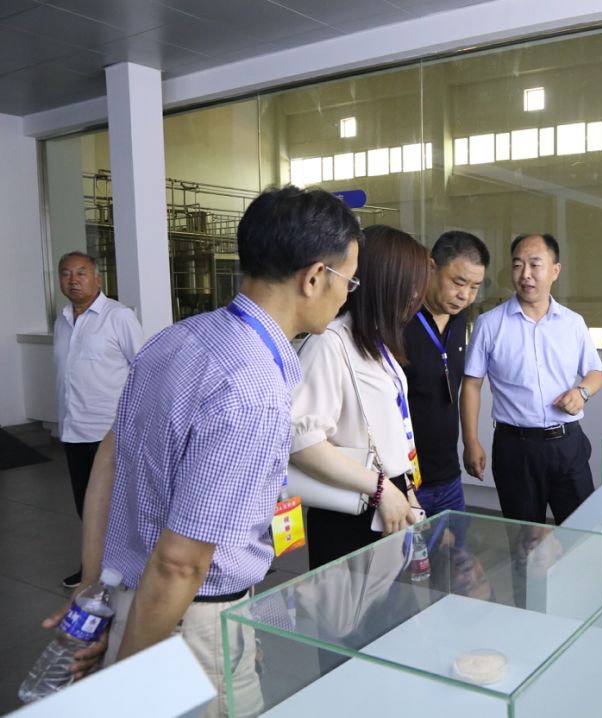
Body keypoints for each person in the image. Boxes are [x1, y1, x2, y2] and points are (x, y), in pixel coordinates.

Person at [42, 185, 362, 717]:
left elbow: (110, 459)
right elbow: (178, 563)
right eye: (347, 280)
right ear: (313, 278)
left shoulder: (175, 339)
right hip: (186, 624)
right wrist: (124, 681)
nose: (347, 294)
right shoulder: (254, 387)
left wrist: (93, 590)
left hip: (132, 599)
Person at [290, 225, 427, 569]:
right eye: (409, 285)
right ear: (383, 282)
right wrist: (381, 488)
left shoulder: (376, 343)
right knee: (348, 602)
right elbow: (301, 441)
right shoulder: (329, 343)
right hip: (352, 506)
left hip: (388, 497)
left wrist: (405, 488)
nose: (416, 296)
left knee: (387, 599)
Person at [461, 233, 602, 524]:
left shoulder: (573, 323)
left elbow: (595, 372)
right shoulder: (490, 324)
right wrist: (471, 441)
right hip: (515, 449)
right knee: (524, 538)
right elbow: (472, 385)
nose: (525, 274)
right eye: (517, 265)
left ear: (555, 270)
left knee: (581, 532)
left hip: (567, 444)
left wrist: (582, 393)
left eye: (535, 265)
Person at [52, 251, 143, 588]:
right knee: (85, 505)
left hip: (109, 432)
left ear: (97, 278)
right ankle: (94, 566)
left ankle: (126, 570)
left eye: (81, 273)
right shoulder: (62, 321)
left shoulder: (118, 317)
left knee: (116, 506)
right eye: (66, 274)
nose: (73, 280)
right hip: (73, 429)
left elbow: (144, 368)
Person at [403, 230, 489, 517]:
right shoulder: (400, 318)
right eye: (458, 282)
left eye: (475, 287)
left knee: (455, 546)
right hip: (407, 481)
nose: (465, 295)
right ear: (431, 267)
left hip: (449, 476)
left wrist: (470, 442)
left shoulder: (459, 315)